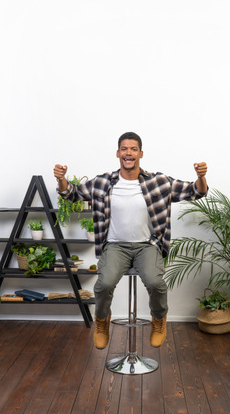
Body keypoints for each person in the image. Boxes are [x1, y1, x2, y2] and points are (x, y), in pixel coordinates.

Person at [53, 132, 208, 350]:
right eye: (124, 149)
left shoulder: (158, 182)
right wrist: (61, 179)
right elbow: (72, 194)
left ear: (141, 154)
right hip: (116, 246)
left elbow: (195, 192)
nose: (129, 153)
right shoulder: (103, 182)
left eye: (133, 149)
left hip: (147, 245)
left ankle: (158, 320)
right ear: (118, 153)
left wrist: (201, 177)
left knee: (156, 283)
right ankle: (102, 321)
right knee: (104, 284)